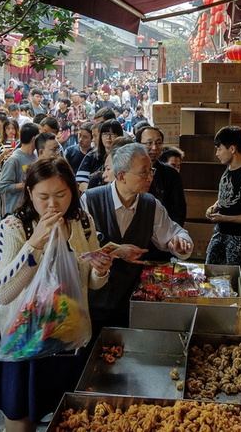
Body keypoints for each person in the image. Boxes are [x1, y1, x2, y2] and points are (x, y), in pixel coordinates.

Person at [0, 157, 111, 432]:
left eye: (61, 195)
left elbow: (90, 282)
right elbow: (3, 291)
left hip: (69, 337)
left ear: (73, 192)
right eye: (43, 196)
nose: (52, 204)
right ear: (29, 193)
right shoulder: (13, 227)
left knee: (69, 416)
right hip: (25, 342)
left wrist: (101, 270)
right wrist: (35, 243)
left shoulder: (82, 222)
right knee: (20, 415)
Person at [81, 143, 192, 332]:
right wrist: (118, 251)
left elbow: (174, 233)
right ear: (122, 176)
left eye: (151, 171)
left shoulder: (150, 205)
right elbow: (79, 253)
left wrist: (180, 243)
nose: (150, 178)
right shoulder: (90, 200)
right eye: (143, 173)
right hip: (91, 301)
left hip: (129, 301)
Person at [205, 126, 241, 267]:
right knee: (210, 270)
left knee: (232, 280)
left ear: (232, 149)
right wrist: (216, 205)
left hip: (238, 239)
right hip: (220, 232)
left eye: (219, 148)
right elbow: (227, 195)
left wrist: (224, 218)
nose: (217, 153)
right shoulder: (228, 169)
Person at [134, 125, 186, 226]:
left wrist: (171, 234)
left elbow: (179, 209)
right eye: (149, 143)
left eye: (158, 143)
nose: (154, 148)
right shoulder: (129, 172)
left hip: (162, 231)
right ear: (138, 144)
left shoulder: (171, 174)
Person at [0, 123, 40, 231]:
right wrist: (27, 185)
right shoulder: (14, 159)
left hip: (33, 210)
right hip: (17, 213)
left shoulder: (36, 156)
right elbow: (2, 187)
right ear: (34, 139)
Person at [75, 119, 123, 191]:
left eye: (112, 134)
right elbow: (81, 182)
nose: (108, 137)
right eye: (105, 134)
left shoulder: (124, 156)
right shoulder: (92, 155)